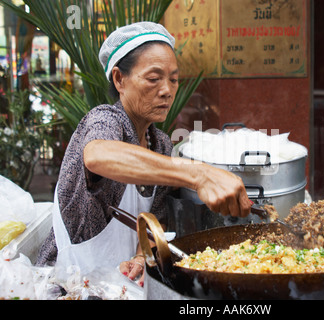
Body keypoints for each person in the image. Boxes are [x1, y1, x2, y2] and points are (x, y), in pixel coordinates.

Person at [36, 22, 251, 284]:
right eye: (153, 79)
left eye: (173, 80)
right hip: (65, 281)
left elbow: (152, 221)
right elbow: (98, 155)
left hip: (118, 285)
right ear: (119, 79)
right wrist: (198, 175)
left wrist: (140, 258)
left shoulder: (160, 144)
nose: (167, 90)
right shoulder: (104, 120)